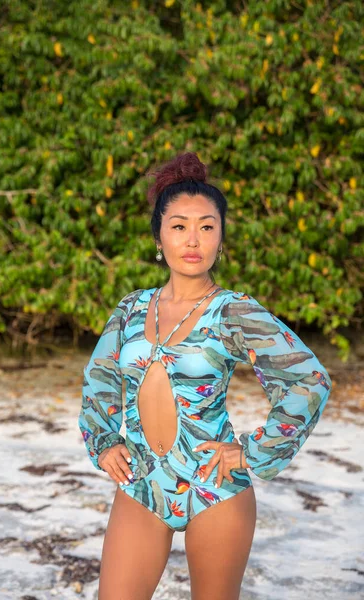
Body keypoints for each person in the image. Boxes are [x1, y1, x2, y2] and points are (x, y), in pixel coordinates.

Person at [78, 152, 333, 600]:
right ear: (159, 236)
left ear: (221, 238)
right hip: (143, 484)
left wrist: (253, 450)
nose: (192, 239)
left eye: (207, 226)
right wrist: (103, 441)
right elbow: (99, 380)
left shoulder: (233, 311)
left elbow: (309, 380)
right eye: (179, 226)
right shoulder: (132, 309)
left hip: (214, 488)